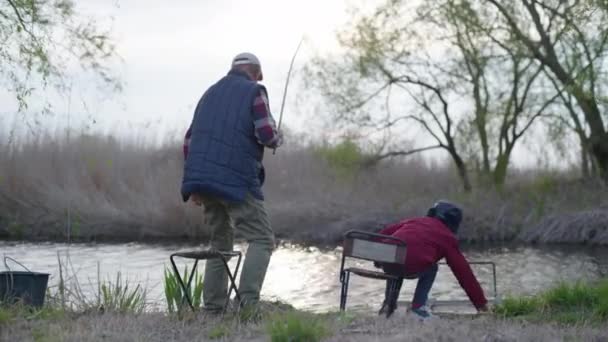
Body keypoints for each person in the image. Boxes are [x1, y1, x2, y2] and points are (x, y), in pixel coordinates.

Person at [181, 52, 283, 313]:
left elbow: (190, 140)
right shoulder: (255, 91)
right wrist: (277, 137)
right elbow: (266, 133)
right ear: (256, 72)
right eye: (260, 75)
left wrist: (193, 182)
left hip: (201, 179)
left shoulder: (209, 93)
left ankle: (213, 307)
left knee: (220, 241)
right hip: (236, 180)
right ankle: (247, 306)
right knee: (262, 239)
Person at [376, 201, 489, 319]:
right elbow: (464, 273)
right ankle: (418, 308)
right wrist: (481, 304)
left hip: (388, 261)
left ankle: (388, 305)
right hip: (411, 265)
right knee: (432, 267)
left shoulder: (414, 221)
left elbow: (383, 234)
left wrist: (378, 260)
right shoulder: (447, 237)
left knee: (396, 261)